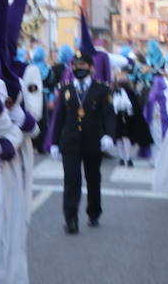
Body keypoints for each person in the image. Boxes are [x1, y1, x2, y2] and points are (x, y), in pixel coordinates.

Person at [48, 22, 117, 233]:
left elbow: (109, 115)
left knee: (93, 179)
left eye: (83, 66)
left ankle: (93, 212)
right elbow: (58, 117)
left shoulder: (101, 89)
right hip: (70, 142)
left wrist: (108, 135)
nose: (78, 69)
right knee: (71, 181)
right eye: (75, 67)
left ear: (91, 68)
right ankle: (71, 219)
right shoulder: (66, 89)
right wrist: (52, 142)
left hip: (92, 141)